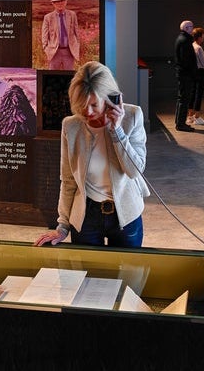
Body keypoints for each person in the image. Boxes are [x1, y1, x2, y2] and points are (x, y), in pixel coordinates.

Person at [34, 61, 149, 248]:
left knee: (129, 274)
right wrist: (62, 225)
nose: (87, 111)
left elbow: (134, 171)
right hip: (86, 216)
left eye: (94, 104)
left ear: (110, 97)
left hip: (126, 215)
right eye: (82, 104)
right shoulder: (71, 126)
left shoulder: (132, 116)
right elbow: (68, 179)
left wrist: (117, 131)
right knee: (86, 274)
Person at [40, 0, 80, 71]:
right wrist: (46, 49)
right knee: (53, 77)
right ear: (53, 4)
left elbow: (76, 32)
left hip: (69, 51)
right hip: (54, 52)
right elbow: (44, 35)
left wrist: (77, 45)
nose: (60, 3)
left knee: (69, 77)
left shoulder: (72, 15)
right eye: (57, 2)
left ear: (66, 2)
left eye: (62, 1)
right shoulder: (48, 17)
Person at [172, 20, 197, 132]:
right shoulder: (185, 41)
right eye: (191, 27)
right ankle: (181, 124)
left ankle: (179, 122)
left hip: (183, 73)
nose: (193, 29)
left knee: (182, 98)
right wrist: (192, 73)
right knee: (184, 99)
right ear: (187, 28)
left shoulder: (181, 39)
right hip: (185, 74)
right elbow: (186, 60)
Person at [186, 27, 204, 126]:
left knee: (193, 93)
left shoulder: (192, 46)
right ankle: (197, 117)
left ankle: (190, 116)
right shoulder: (199, 48)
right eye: (203, 36)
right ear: (199, 37)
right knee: (199, 95)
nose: (203, 38)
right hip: (200, 73)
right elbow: (203, 63)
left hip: (193, 73)